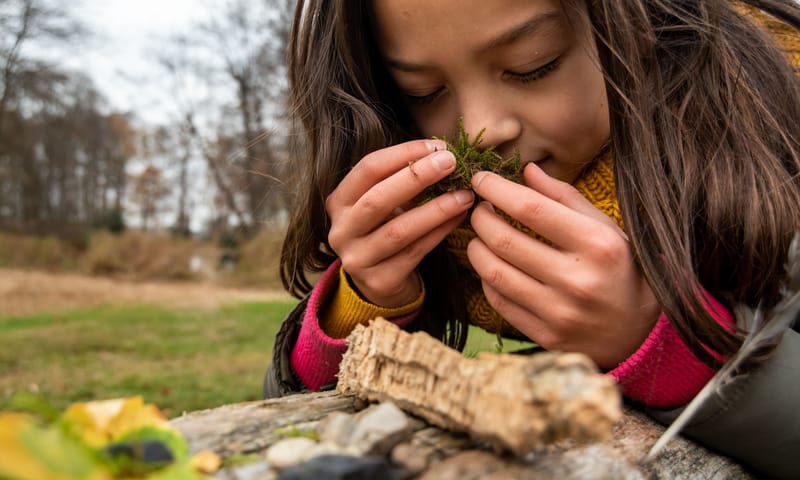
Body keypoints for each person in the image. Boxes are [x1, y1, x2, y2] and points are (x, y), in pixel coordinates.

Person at [264, 0, 800, 477]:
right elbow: (288, 441)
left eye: (532, 66)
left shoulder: (780, 140)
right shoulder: (442, 235)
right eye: (422, 92)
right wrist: (362, 306)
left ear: (644, 25)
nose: (482, 129)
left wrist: (661, 343)